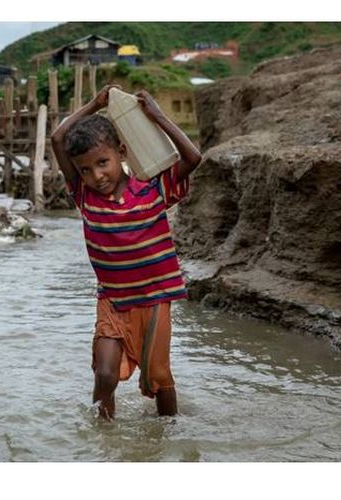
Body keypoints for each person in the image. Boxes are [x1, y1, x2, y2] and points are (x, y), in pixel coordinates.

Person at [51, 85, 202, 419]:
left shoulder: (153, 189)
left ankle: (168, 434)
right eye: (86, 169)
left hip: (154, 300)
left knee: (159, 378)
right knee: (104, 374)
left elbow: (193, 157)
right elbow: (58, 138)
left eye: (103, 163)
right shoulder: (84, 196)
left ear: (122, 152)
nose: (96, 175)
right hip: (113, 302)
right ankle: (105, 434)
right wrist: (94, 103)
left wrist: (157, 117)